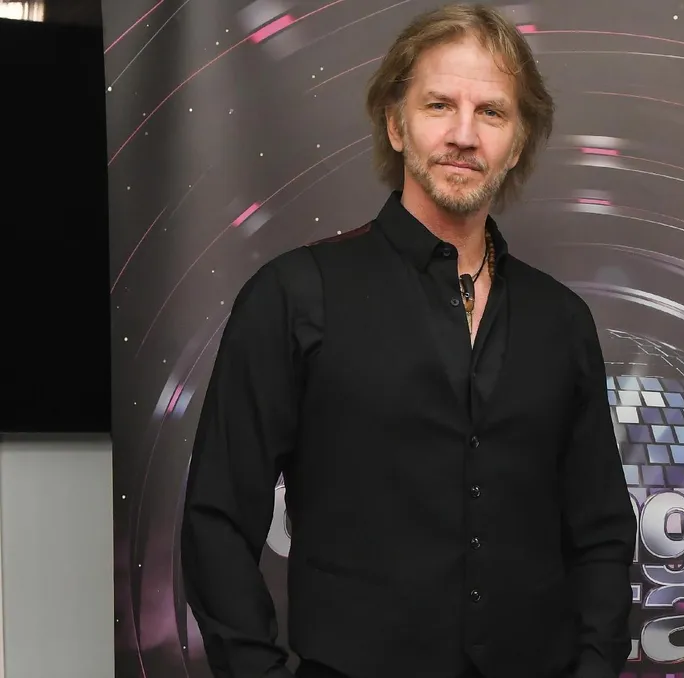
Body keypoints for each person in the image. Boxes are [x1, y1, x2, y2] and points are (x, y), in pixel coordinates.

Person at [179, 4, 637, 678]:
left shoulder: (561, 320)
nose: (463, 134)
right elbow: (216, 521)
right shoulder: (293, 296)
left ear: (517, 143)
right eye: (438, 105)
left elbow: (600, 532)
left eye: (491, 112)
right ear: (396, 124)